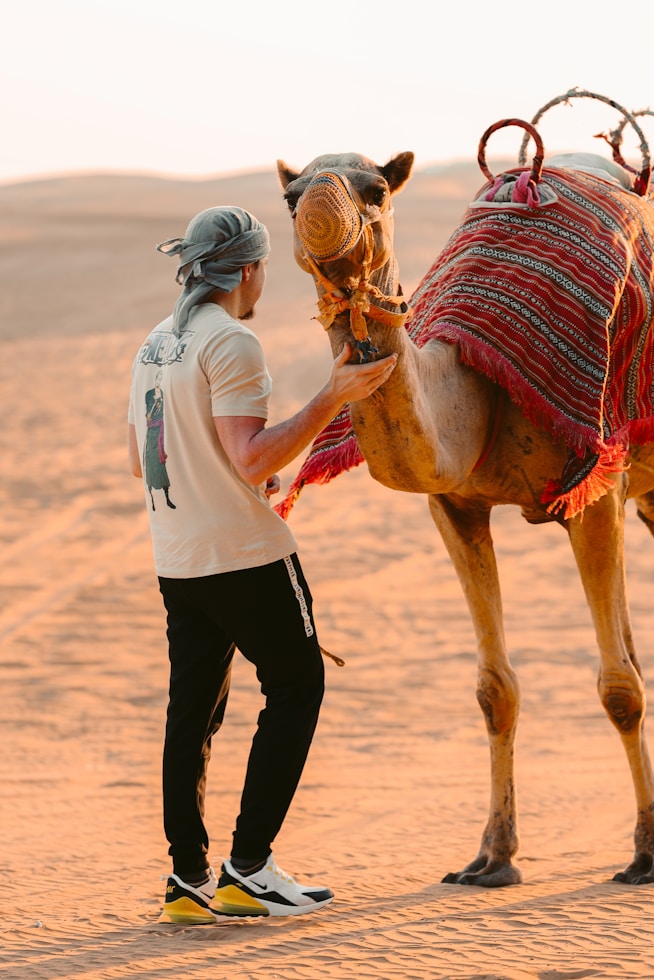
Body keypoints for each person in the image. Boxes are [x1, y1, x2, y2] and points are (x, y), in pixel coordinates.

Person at [127, 205, 397, 923]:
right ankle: (249, 867)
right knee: (297, 685)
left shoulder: (155, 345)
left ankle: (186, 881)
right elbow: (249, 460)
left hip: (178, 560)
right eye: (263, 269)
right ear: (246, 270)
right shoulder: (233, 341)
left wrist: (237, 469)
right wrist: (331, 397)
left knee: (193, 716)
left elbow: (142, 461)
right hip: (245, 557)